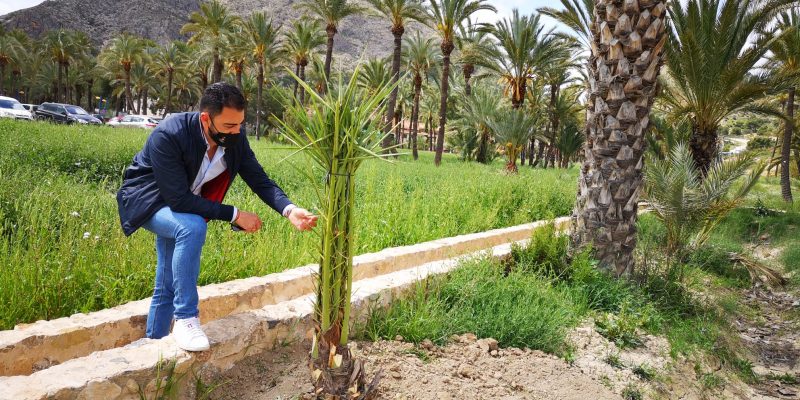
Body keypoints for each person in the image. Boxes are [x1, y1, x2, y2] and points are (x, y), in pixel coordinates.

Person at [116, 82, 317, 351]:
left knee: (166, 283)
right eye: (229, 126)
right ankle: (186, 319)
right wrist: (234, 215)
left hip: (182, 206)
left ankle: (152, 346)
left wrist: (290, 210)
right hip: (148, 201)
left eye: (240, 125)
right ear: (205, 118)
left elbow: (260, 180)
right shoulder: (170, 133)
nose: (236, 132)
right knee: (192, 227)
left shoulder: (235, 139)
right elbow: (178, 199)